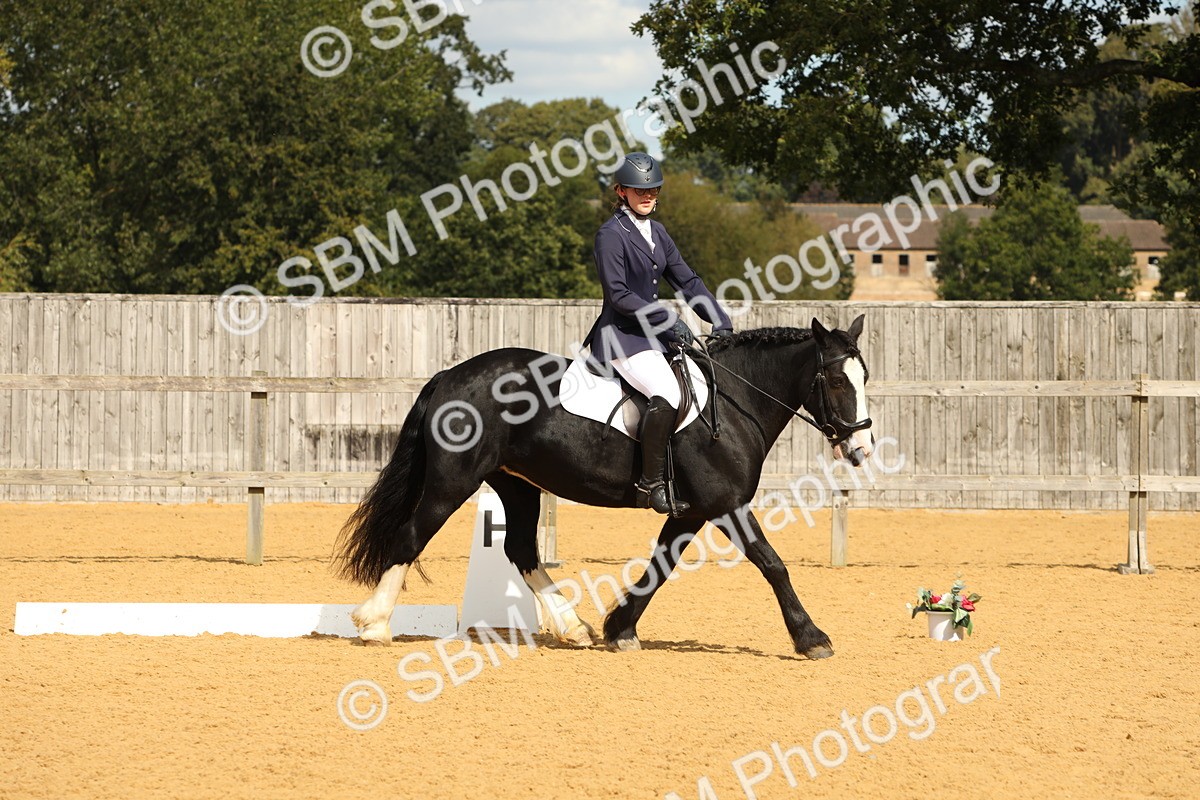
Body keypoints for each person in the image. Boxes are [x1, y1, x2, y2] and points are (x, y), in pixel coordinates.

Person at [582, 152, 734, 515]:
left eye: (652, 189)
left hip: (653, 339)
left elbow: (688, 280)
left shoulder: (658, 232)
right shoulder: (610, 235)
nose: (647, 196)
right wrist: (666, 320)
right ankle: (650, 485)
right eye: (638, 190)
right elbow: (618, 295)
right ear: (621, 191)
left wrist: (719, 319)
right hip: (622, 336)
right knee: (666, 391)